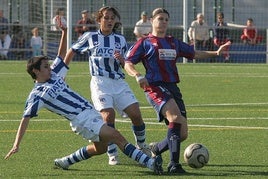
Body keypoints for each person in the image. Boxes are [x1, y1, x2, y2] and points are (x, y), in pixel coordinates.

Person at [4, 18, 163, 175]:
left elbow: (61, 55)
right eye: (46, 67)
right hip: (81, 119)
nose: (50, 68)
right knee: (116, 136)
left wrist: (64, 32)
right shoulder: (37, 94)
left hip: (89, 112)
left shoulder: (54, 75)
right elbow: (25, 118)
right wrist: (16, 144)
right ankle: (149, 162)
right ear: (36, 71)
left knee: (100, 148)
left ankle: (65, 161)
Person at [124, 8, 231, 175]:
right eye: (160, 18)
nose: (164, 21)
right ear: (152, 21)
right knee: (174, 117)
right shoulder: (144, 42)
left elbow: (193, 53)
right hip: (155, 86)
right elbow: (128, 62)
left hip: (173, 87)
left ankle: (155, 149)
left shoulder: (173, 42)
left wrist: (215, 53)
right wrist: (137, 75)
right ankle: (174, 165)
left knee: (182, 133)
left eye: (166, 19)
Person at [64, 6, 151, 166]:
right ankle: (112, 153)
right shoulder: (89, 37)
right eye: (106, 18)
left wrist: (122, 61)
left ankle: (142, 146)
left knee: (136, 114)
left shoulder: (120, 40)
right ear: (99, 20)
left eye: (112, 18)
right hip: (100, 83)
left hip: (118, 82)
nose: (110, 20)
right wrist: (63, 72)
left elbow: (126, 63)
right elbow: (72, 50)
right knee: (108, 116)